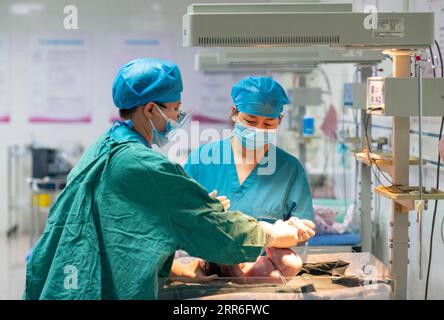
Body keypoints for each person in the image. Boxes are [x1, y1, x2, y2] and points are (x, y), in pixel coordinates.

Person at [24, 59, 307, 300]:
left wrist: (177, 268)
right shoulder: (144, 164)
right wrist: (271, 233)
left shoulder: (105, 145)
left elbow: (128, 231)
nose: (177, 117)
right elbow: (207, 225)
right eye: (174, 109)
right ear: (150, 109)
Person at [184, 76, 315, 223]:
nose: (258, 129)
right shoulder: (201, 161)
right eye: (250, 121)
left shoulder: (290, 169)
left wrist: (291, 231)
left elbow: (304, 227)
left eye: (268, 124)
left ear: (280, 120)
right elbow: (178, 218)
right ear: (234, 113)